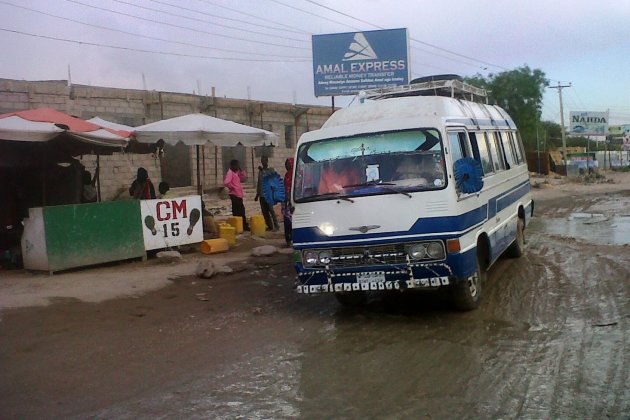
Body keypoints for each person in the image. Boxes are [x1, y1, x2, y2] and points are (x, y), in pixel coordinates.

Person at [223, 159, 250, 231]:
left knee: (240, 211)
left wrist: (241, 170)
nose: (237, 166)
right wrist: (232, 187)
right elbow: (226, 182)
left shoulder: (236, 172)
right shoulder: (230, 173)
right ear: (232, 166)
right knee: (238, 211)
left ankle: (242, 225)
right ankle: (241, 226)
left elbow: (243, 178)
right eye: (236, 165)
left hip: (239, 195)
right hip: (234, 195)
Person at [255, 156, 280, 232]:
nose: (263, 162)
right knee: (264, 212)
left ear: (267, 161)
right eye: (261, 161)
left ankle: (276, 226)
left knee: (271, 210)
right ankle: (270, 226)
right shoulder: (260, 171)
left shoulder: (270, 170)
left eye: (264, 160)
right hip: (262, 195)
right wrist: (257, 194)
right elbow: (259, 183)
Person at [281, 157, 295, 246]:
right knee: (287, 222)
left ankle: (293, 239)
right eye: (286, 163)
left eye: (288, 163)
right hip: (286, 203)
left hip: (293, 202)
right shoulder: (287, 175)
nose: (286, 165)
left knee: (293, 222)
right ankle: (288, 239)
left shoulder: (296, 175)